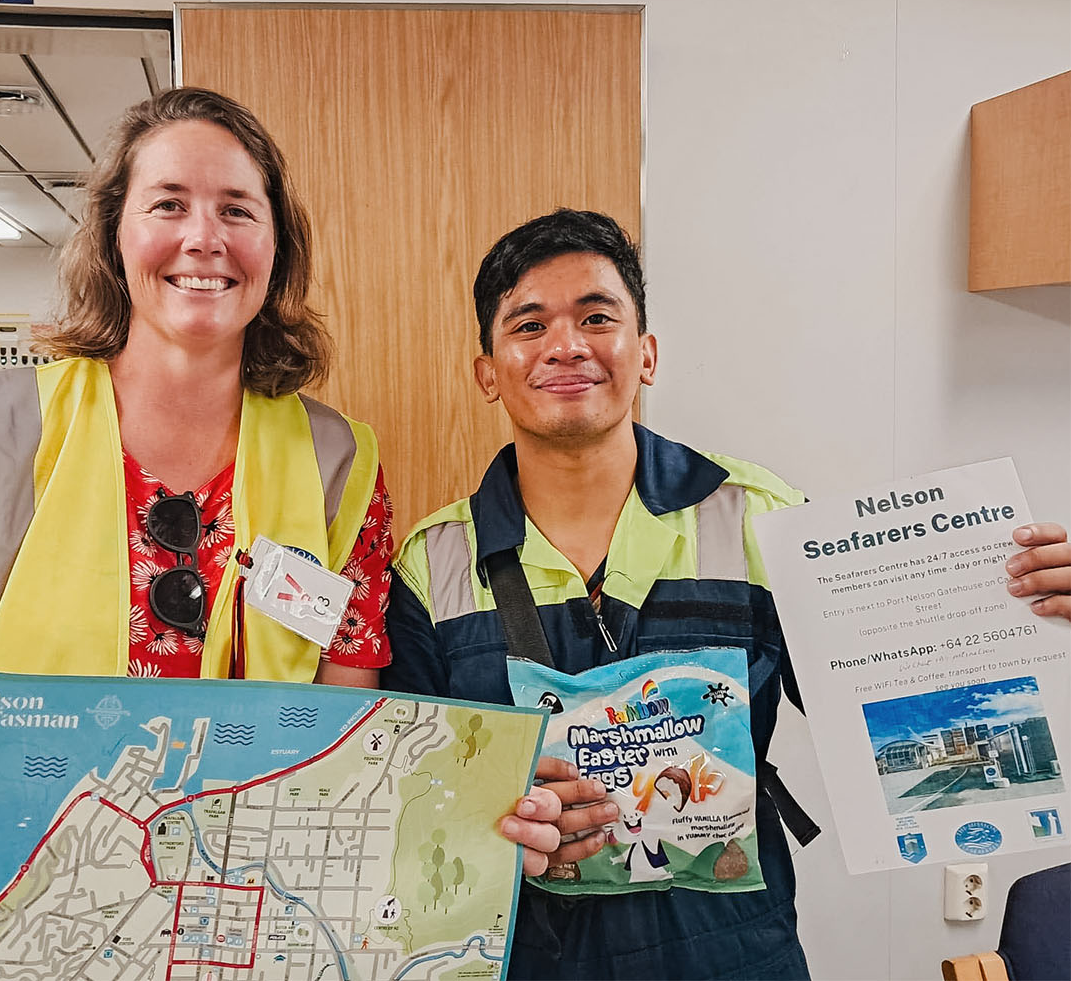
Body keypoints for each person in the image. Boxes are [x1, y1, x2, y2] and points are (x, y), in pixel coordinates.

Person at [382, 208, 1071, 979]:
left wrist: (1021, 620)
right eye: (529, 325)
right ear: (488, 371)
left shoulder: (760, 518)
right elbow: (416, 802)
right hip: (523, 955)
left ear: (645, 354)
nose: (566, 346)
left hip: (733, 950)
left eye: (597, 317)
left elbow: (902, 708)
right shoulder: (429, 563)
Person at [0, 88, 399, 978]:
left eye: (237, 210)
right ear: (114, 237)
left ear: (275, 249)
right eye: (168, 204)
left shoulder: (339, 465)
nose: (203, 237)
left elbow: (350, 738)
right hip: (29, 935)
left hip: (246, 934)